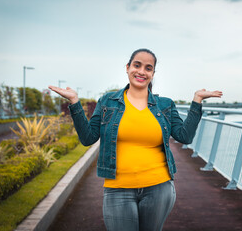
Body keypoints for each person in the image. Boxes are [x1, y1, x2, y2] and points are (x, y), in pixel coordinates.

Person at [48, 48, 223, 231]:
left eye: (148, 68)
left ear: (153, 74)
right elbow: (88, 138)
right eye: (137, 65)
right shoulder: (108, 102)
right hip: (118, 188)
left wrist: (197, 101)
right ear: (127, 67)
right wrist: (74, 103)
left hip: (159, 187)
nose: (141, 72)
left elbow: (184, 136)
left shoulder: (165, 105)